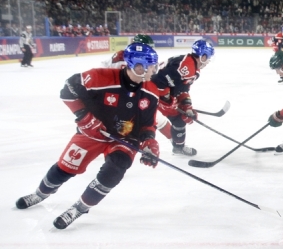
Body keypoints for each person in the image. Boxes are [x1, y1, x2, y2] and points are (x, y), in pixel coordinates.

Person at [15, 43, 161, 229]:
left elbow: (148, 123)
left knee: (116, 169)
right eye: (149, 66)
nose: (152, 71)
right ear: (136, 65)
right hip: (92, 134)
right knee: (65, 168)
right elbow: (68, 90)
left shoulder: (151, 91)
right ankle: (41, 193)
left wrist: (149, 142)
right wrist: (85, 118)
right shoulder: (101, 77)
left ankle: (80, 207)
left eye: (154, 66)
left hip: (125, 137)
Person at [150, 39, 215, 156]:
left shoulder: (194, 68)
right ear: (202, 56)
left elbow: (182, 89)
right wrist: (167, 99)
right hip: (153, 91)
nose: (208, 61)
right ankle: (177, 147)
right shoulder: (186, 67)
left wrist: (187, 106)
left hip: (160, 91)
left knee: (180, 119)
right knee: (177, 120)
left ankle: (178, 147)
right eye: (208, 57)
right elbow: (159, 80)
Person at [103, 34, 173, 140]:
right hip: (123, 99)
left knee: (155, 118)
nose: (150, 50)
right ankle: (176, 143)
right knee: (157, 118)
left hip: (126, 96)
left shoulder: (123, 56)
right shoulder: (134, 60)